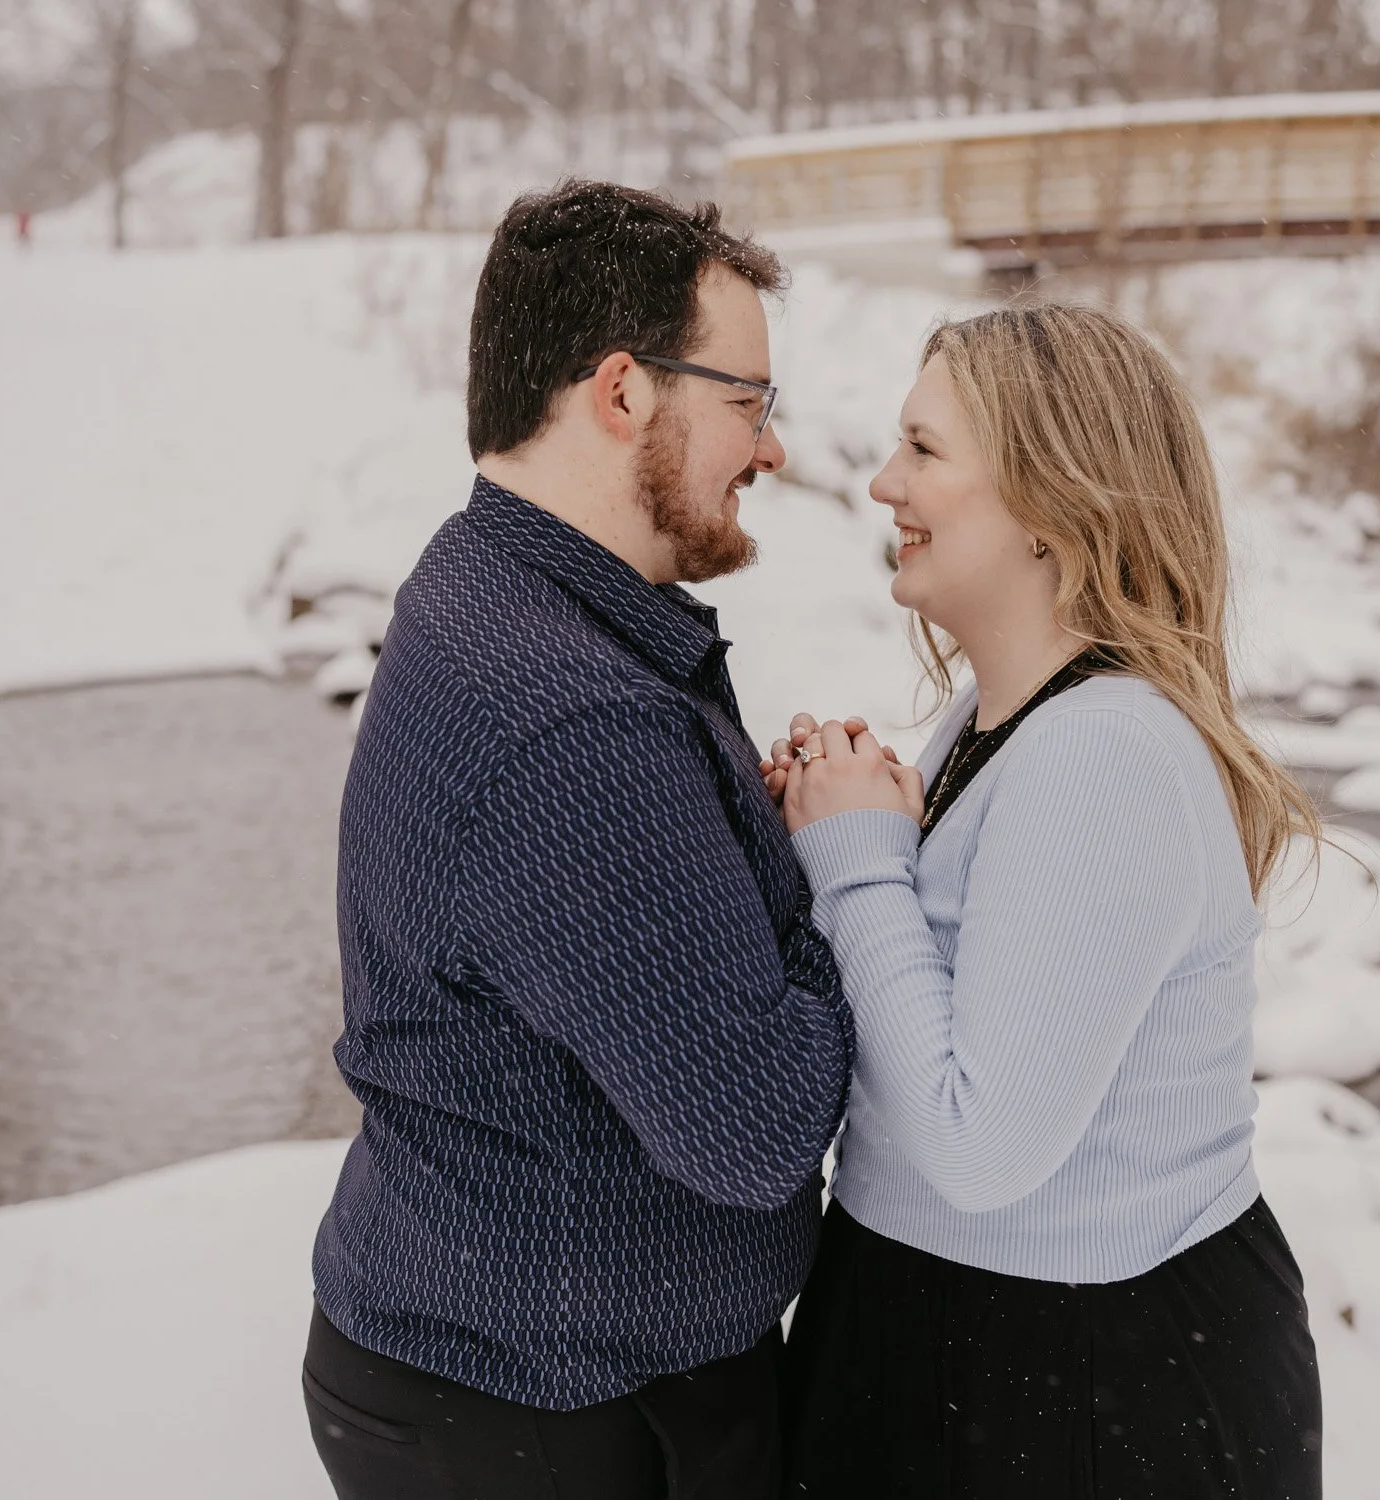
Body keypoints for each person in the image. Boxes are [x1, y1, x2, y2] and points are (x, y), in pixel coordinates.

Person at [304, 181, 853, 1500]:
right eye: (746, 402)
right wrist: (844, 871)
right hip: (535, 1421)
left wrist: (734, 853)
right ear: (624, 394)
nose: (769, 449)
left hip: (530, 1377)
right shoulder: (569, 715)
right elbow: (756, 1131)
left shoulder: (503, 581)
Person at [766, 303, 1326, 1498]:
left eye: (923, 450)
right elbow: (932, 1004)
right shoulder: (988, 720)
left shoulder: (1108, 752)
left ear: (1049, 502)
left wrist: (860, 860)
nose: (881, 484)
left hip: (1078, 1383)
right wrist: (839, 831)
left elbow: (980, 1147)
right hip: (969, 1340)